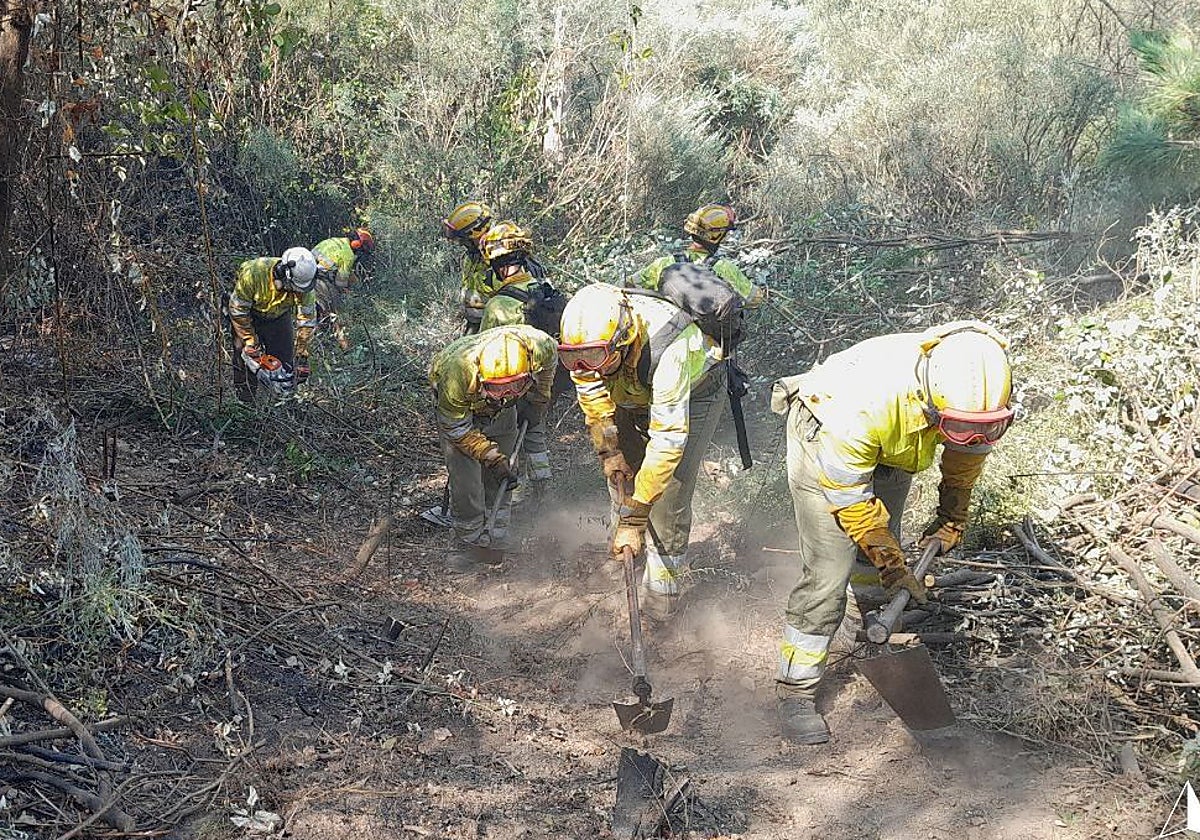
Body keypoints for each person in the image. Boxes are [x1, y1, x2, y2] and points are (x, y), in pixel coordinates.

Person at [768, 321, 1014, 744]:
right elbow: (853, 504)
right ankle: (796, 689)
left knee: (877, 556)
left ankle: (869, 635)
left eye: (984, 428)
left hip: (896, 442)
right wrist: (892, 562)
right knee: (831, 571)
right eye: (956, 428)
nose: (971, 437)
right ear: (929, 404)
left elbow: (968, 452)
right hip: (823, 433)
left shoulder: (976, 391)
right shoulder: (858, 409)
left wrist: (951, 514)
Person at [557, 282, 728, 604]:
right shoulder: (588, 347)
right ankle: (625, 553)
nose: (584, 367)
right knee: (623, 472)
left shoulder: (671, 348)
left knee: (670, 491)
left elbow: (667, 442)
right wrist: (609, 450)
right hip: (629, 379)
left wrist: (636, 518)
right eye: (573, 358)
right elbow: (592, 394)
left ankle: (661, 593)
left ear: (624, 341)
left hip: (695, 390)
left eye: (593, 356)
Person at [428, 324, 558, 550]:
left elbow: (548, 368)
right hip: (462, 409)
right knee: (466, 480)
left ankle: (497, 535)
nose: (507, 393)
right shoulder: (456, 373)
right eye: (499, 388)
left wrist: (537, 399)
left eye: (516, 385)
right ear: (481, 377)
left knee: (503, 475)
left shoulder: (541, 346)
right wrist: (491, 457)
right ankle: (468, 542)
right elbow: (457, 428)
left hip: (500, 408)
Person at [227, 247, 319, 401]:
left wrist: (301, 354)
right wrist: (250, 342)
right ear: (283, 274)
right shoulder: (254, 274)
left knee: (286, 361)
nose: (297, 292)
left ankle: (285, 401)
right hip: (248, 314)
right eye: (294, 288)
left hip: (279, 316)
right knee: (244, 359)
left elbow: (307, 320)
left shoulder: (305, 287)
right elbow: (238, 311)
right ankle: (245, 403)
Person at [629, 203, 762, 307]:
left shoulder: (664, 264)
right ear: (718, 236)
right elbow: (755, 299)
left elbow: (629, 284)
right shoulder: (724, 268)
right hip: (709, 341)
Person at [312, 226, 375, 350]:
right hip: (321, 281)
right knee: (338, 316)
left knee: (312, 313)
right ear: (357, 245)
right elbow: (340, 282)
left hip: (306, 275)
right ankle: (345, 348)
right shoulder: (348, 255)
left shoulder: (334, 240)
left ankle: (321, 343)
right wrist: (347, 290)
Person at [442, 201, 494, 333]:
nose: (460, 244)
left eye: (462, 239)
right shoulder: (472, 257)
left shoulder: (499, 258)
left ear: (474, 233)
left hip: (493, 330)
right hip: (475, 325)